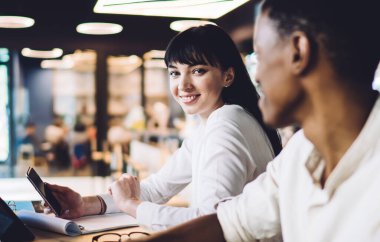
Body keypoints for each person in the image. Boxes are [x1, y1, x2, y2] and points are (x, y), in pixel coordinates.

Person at [120, 0, 380, 241]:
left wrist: (134, 206)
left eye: (259, 56)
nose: (256, 76)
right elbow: (228, 223)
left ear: (299, 52)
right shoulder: (300, 152)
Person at [46, 24, 282, 230]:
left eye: (198, 71)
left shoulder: (227, 122)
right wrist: (84, 204)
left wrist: (133, 206)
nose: (183, 85)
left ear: (228, 76)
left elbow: (210, 222)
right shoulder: (210, 124)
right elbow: (157, 188)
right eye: (175, 73)